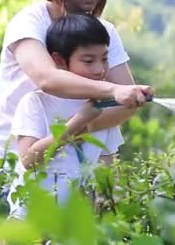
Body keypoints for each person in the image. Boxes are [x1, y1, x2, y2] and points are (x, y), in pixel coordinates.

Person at [0, 0, 153, 195]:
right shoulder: (29, 23)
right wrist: (112, 92)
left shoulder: (105, 31)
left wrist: (82, 126)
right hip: (12, 177)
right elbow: (48, 79)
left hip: (72, 185)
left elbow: (126, 105)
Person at [7, 13, 116, 219]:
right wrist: (79, 121)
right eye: (88, 61)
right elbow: (29, 160)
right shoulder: (36, 103)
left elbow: (107, 168)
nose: (100, 69)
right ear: (59, 61)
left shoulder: (104, 108)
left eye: (104, 59)